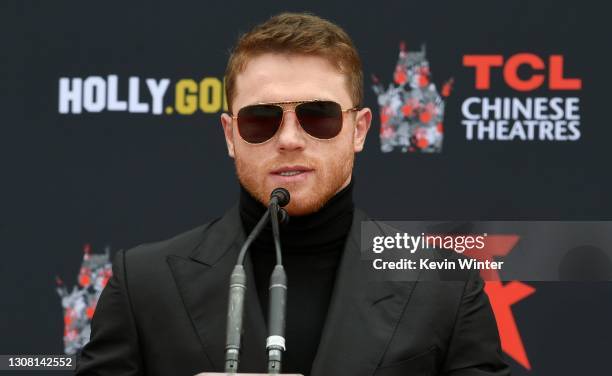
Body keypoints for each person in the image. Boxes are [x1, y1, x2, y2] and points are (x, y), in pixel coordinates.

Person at [76, 12, 509, 376]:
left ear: (359, 130)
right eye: (260, 119)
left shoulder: (443, 287)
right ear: (230, 135)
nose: (289, 139)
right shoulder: (145, 284)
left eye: (318, 117)